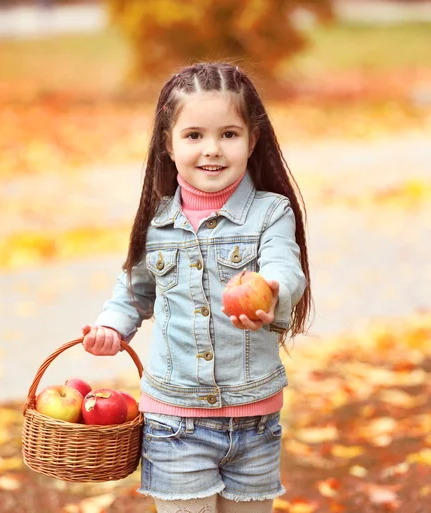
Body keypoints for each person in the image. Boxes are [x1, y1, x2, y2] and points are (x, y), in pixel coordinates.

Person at [81, 62, 312, 513]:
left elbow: (287, 267)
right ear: (167, 144)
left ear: (253, 139)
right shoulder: (157, 220)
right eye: (194, 136)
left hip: (255, 421)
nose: (212, 150)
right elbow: (133, 290)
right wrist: (111, 326)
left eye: (229, 134)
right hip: (174, 422)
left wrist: (271, 288)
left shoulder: (271, 212)